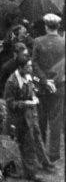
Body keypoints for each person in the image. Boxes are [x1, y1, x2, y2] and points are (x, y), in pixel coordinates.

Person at [4, 53, 55, 182]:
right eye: (28, 67)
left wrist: (39, 90)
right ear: (20, 68)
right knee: (28, 144)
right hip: (19, 118)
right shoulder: (12, 82)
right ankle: (31, 172)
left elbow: (34, 83)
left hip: (31, 114)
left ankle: (45, 163)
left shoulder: (28, 76)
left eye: (30, 66)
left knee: (37, 139)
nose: (30, 69)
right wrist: (25, 103)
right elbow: (10, 103)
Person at [30, 14, 64, 163]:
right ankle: (54, 154)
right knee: (55, 121)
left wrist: (44, 80)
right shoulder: (63, 43)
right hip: (58, 86)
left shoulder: (38, 41)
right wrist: (54, 80)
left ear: (46, 26)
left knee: (41, 120)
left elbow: (34, 64)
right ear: (58, 26)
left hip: (41, 86)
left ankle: (41, 151)